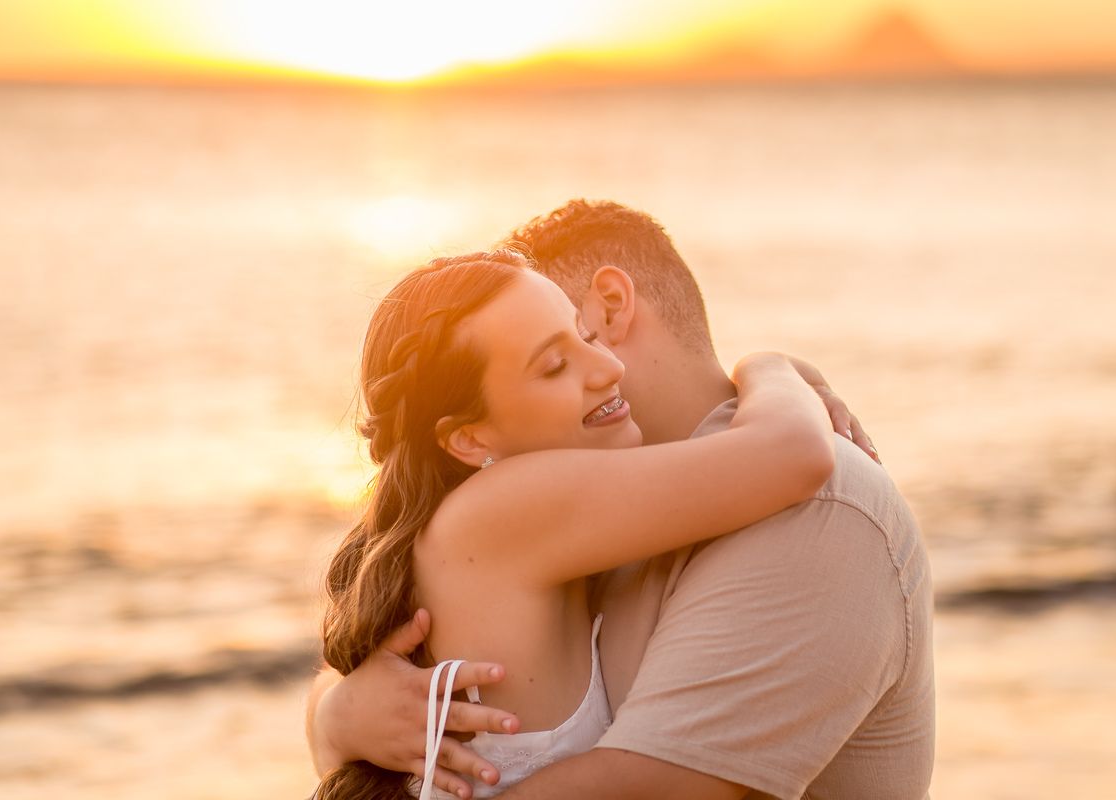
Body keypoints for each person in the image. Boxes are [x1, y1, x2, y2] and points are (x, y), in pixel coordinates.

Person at [309, 201, 935, 800]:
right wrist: (771, 368)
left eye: (584, 335)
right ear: (469, 438)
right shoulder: (523, 505)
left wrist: (334, 718)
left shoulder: (813, 516)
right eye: (553, 364)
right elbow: (791, 450)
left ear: (608, 310)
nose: (602, 367)